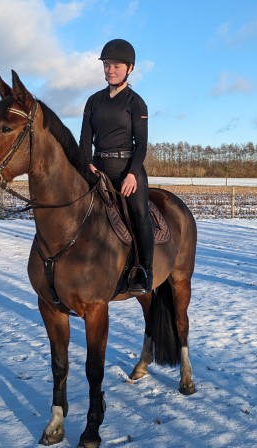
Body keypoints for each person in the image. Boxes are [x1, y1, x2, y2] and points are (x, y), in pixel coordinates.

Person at [79, 38, 154, 294]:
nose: (110, 70)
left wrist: (132, 174)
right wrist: (87, 163)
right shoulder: (93, 101)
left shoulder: (136, 103)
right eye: (107, 65)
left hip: (126, 169)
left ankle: (145, 272)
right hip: (97, 168)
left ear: (129, 68)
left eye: (117, 66)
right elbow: (85, 139)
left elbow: (141, 145)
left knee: (139, 215)